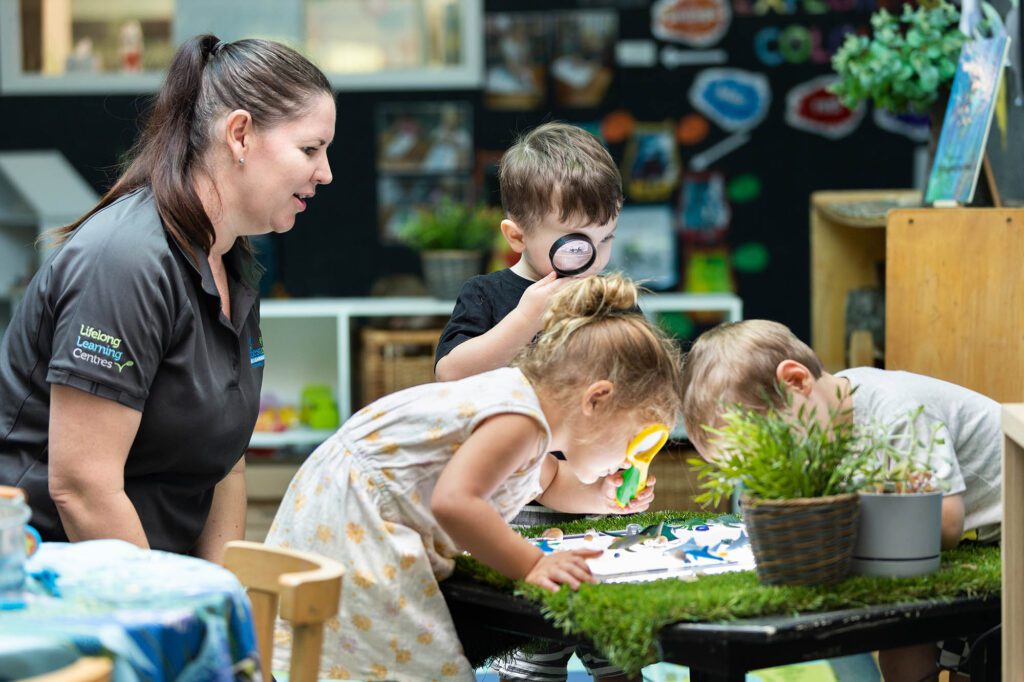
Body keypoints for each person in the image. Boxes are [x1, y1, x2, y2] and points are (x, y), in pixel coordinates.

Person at [0, 34, 334, 564]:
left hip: (159, 582)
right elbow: (83, 489)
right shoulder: (126, 261)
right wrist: (173, 616)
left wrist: (219, 597)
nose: (325, 172)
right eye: (310, 149)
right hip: (52, 585)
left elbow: (227, 464)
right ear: (241, 134)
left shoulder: (231, 264)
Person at [265, 274, 684, 681]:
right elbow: (456, 502)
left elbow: (551, 482)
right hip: (358, 517)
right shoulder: (518, 418)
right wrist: (532, 563)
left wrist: (602, 496)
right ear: (597, 399)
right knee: (414, 663)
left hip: (346, 502)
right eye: (637, 438)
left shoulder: (526, 416)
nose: (633, 455)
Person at [680, 319, 1002, 682]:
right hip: (962, 547)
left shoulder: (894, 415)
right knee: (897, 640)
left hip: (1005, 537)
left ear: (797, 381)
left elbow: (944, 523)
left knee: (952, 643)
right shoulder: (829, 413)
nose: (770, 473)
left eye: (771, 453)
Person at [433, 121, 637, 681]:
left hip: (595, 504)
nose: (593, 257)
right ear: (517, 236)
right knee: (533, 653)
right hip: (517, 512)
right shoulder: (489, 296)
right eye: (575, 241)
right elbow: (450, 373)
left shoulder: (610, 299)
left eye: (607, 238)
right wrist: (525, 319)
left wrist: (628, 471)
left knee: (617, 647)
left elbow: (637, 390)